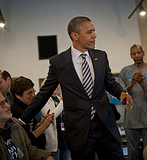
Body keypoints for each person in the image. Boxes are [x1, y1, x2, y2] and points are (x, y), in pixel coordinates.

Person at [18, 16, 133, 160]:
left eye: (94, 31)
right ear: (75, 35)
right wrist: (22, 120)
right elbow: (43, 94)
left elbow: (109, 83)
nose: (95, 35)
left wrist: (121, 92)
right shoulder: (59, 62)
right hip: (79, 130)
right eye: (89, 32)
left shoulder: (101, 56)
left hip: (106, 126)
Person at [0, 86, 54, 160]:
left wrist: (47, 156)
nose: (8, 105)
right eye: (2, 104)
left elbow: (28, 149)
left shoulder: (15, 126)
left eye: (5, 101)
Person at [118, 44, 147, 160]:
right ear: (130, 56)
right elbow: (121, 96)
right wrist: (131, 85)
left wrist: (142, 83)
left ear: (143, 53)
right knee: (133, 155)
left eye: (139, 52)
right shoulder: (125, 71)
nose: (137, 55)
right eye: (134, 53)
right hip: (131, 121)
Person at [10, 76, 54, 149]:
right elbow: (27, 139)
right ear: (18, 95)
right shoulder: (15, 111)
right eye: (29, 93)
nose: (33, 95)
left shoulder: (27, 106)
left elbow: (32, 127)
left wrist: (42, 122)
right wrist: (43, 127)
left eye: (33, 91)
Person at [41, 83, 70, 160]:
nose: (56, 86)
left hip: (64, 139)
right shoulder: (44, 100)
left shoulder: (59, 99)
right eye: (54, 84)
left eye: (58, 84)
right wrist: (62, 102)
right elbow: (50, 117)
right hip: (53, 142)